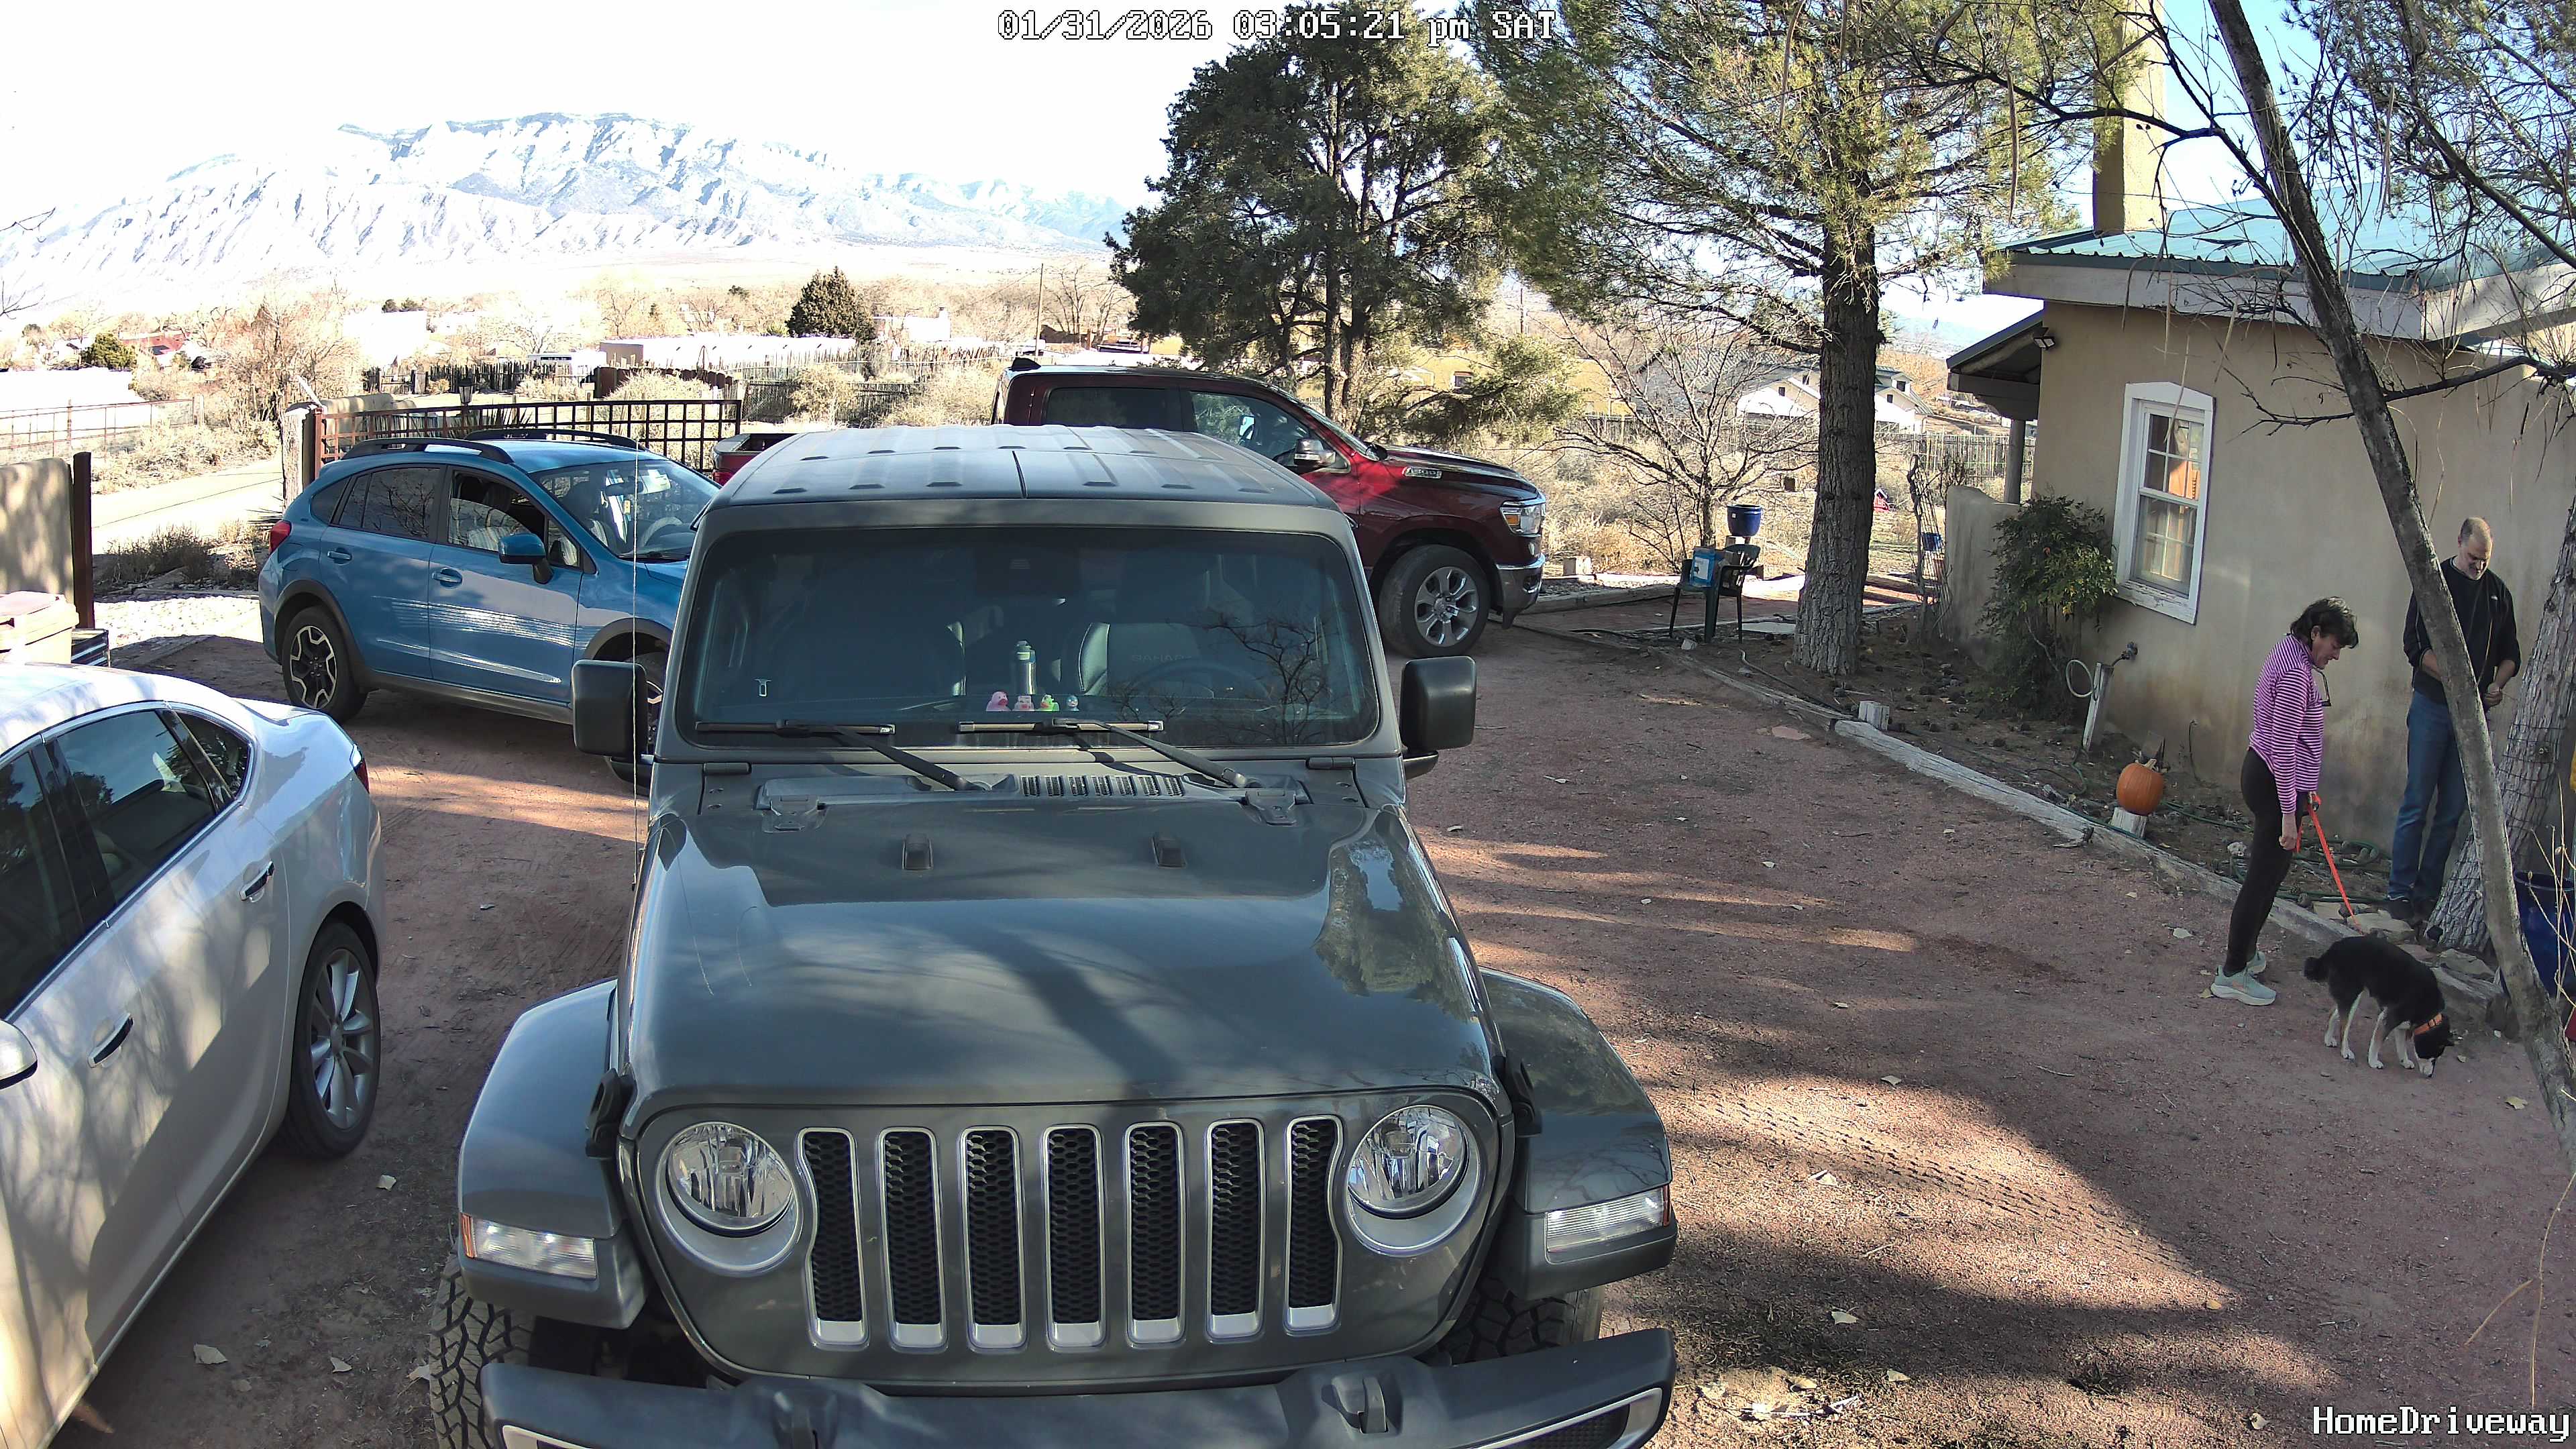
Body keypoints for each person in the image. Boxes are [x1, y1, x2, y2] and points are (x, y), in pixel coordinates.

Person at [2216, 598, 2359, 1006]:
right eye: (2335, 645)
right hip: (2273, 783)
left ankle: (2246, 953)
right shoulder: (2296, 673)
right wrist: (2287, 817)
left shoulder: (2290, 650)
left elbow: (2294, 742)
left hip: (2273, 778)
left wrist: (2305, 791)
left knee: (2272, 875)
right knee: (2262, 879)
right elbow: (2282, 748)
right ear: (2316, 634)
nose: (2336, 655)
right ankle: (2232, 972)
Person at [2388, 517, 2521, 927]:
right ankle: (2399, 891)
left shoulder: (2498, 593)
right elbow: (2414, 646)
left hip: (2473, 716)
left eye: (2485, 560)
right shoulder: (2435, 583)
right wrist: (2455, 678)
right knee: (2417, 802)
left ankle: (2427, 894)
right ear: (2459, 543)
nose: (2478, 566)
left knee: (2451, 810)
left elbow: (2511, 654)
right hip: (2432, 706)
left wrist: (2496, 684)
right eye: (2473, 557)